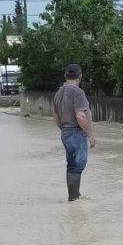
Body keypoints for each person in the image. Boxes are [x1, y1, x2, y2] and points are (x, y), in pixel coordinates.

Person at [53, 64, 96, 202]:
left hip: (65, 132)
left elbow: (55, 116)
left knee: (71, 165)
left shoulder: (58, 93)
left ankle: (74, 196)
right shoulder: (78, 92)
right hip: (76, 132)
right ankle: (74, 198)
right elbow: (80, 116)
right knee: (77, 166)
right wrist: (90, 135)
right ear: (80, 76)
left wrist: (64, 129)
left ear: (65, 76)